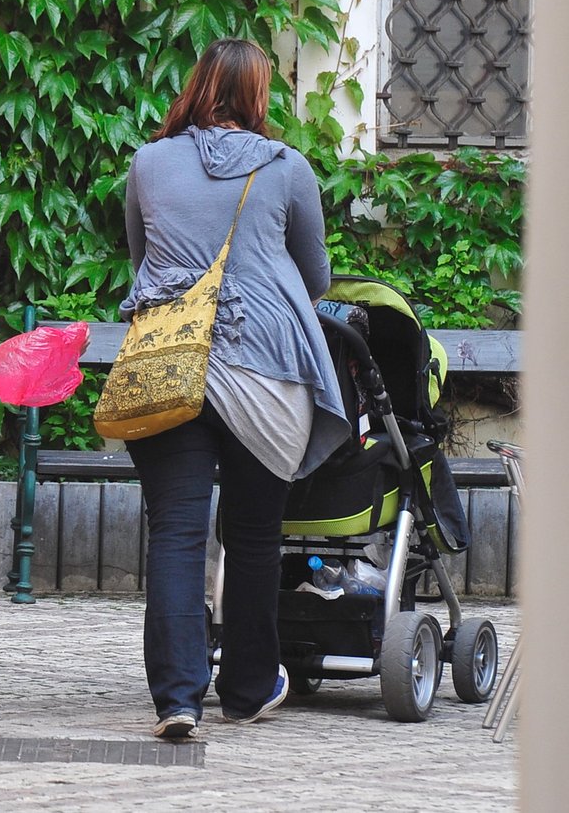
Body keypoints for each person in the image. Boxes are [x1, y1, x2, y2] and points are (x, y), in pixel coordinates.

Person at [121, 38, 349, 739]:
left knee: (179, 534)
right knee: (252, 533)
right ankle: (248, 688)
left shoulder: (149, 163)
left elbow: (141, 258)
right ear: (258, 97)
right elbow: (315, 279)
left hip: (169, 360)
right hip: (265, 369)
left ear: (197, 87)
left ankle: (178, 698)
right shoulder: (288, 169)